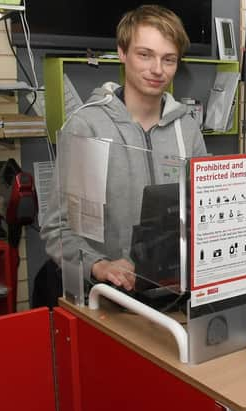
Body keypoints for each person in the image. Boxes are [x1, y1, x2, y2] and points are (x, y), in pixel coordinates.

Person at [40, 5, 207, 294]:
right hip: (108, 294)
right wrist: (99, 265)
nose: (157, 69)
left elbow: (205, 210)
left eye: (168, 59)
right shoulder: (87, 127)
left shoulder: (187, 128)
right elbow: (58, 228)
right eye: (145, 55)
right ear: (122, 53)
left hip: (174, 290)